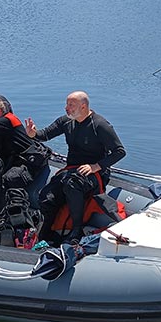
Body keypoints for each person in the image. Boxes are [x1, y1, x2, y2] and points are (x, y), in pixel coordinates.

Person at [26, 91, 126, 243]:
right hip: (72, 169)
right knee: (47, 195)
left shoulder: (99, 125)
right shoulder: (66, 122)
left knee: (72, 184)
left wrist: (96, 166)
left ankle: (76, 230)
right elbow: (45, 134)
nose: (67, 108)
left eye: (71, 105)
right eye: (67, 104)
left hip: (95, 173)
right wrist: (33, 134)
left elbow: (119, 152)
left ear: (84, 106)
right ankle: (46, 233)